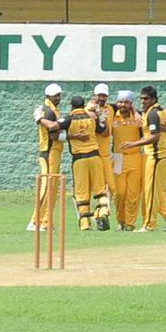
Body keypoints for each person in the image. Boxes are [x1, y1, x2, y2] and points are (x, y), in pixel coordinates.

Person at [121, 85, 166, 232]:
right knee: (157, 190)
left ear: (154, 99)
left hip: (157, 156)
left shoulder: (153, 114)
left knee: (151, 191)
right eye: (142, 98)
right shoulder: (160, 111)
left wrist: (133, 144)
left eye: (146, 99)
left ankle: (149, 225)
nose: (143, 101)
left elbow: (155, 137)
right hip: (163, 155)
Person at [64, 96, 110, 231]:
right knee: (100, 190)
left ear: (72, 106)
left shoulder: (68, 119)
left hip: (80, 159)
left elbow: (53, 131)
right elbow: (105, 131)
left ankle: (85, 223)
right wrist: (100, 115)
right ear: (83, 105)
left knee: (81, 192)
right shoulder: (92, 118)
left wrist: (73, 136)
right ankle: (102, 213)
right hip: (95, 157)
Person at [29, 83, 66, 231]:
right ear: (48, 96)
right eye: (55, 95)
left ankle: (45, 221)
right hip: (48, 152)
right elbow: (52, 130)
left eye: (59, 95)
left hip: (55, 152)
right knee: (46, 186)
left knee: (53, 188)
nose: (58, 98)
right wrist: (66, 130)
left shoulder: (53, 110)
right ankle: (34, 221)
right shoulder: (47, 111)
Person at [108, 90, 143, 230]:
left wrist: (135, 112)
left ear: (131, 104)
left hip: (135, 157)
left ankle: (130, 223)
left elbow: (145, 134)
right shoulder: (112, 115)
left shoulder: (137, 118)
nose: (123, 105)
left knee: (133, 193)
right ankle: (120, 220)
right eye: (120, 102)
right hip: (118, 158)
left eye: (126, 102)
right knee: (119, 192)